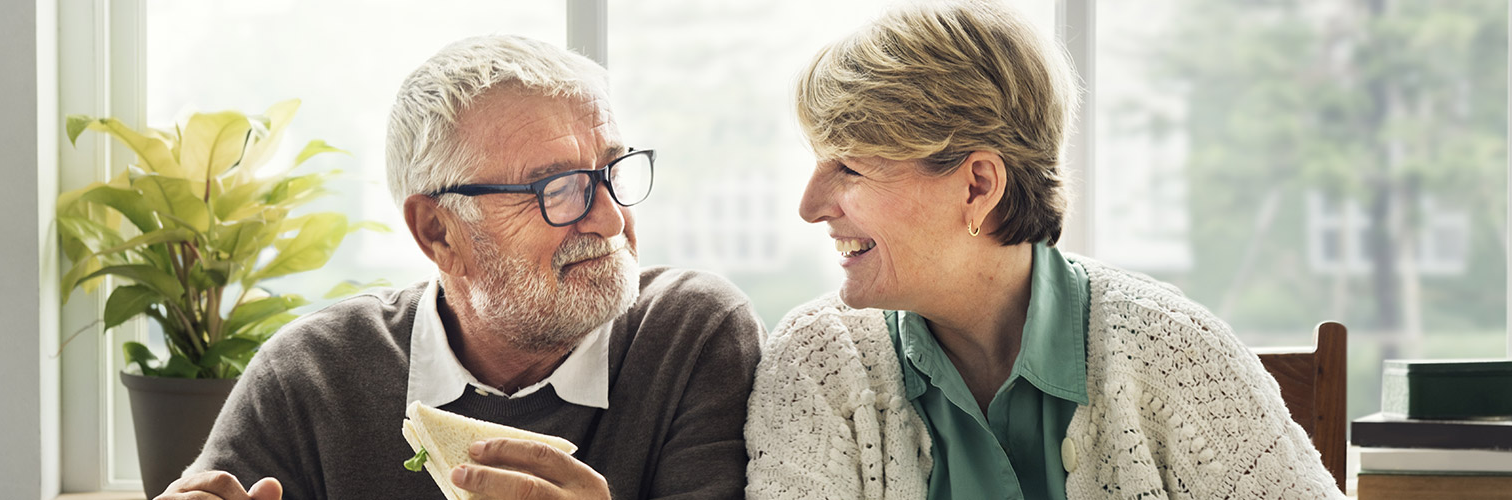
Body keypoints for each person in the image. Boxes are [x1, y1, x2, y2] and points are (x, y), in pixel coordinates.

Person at [744, 1, 1343, 499]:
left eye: (848, 168)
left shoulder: (1177, 352)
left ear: (978, 185)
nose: (811, 204)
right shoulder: (818, 362)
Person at [157, 34, 763, 500]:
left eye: (612, 170)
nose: (608, 218)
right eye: (558, 188)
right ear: (438, 231)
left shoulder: (692, 336)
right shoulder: (312, 376)